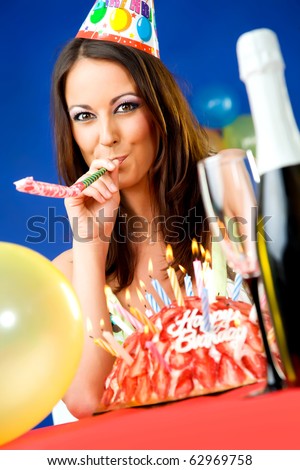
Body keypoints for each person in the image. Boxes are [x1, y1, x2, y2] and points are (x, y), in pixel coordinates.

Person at [51, 2, 217, 418]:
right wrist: (91, 241)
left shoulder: (225, 225)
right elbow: (87, 400)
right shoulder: (69, 272)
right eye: (85, 116)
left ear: (159, 111)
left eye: (125, 106)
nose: (106, 136)